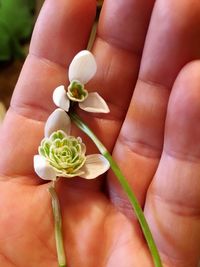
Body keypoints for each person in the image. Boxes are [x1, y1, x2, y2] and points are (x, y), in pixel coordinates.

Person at [0, 0, 200, 266]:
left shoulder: (76, 112)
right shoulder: (59, 122)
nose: (76, 93)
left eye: (78, 92)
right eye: (73, 92)